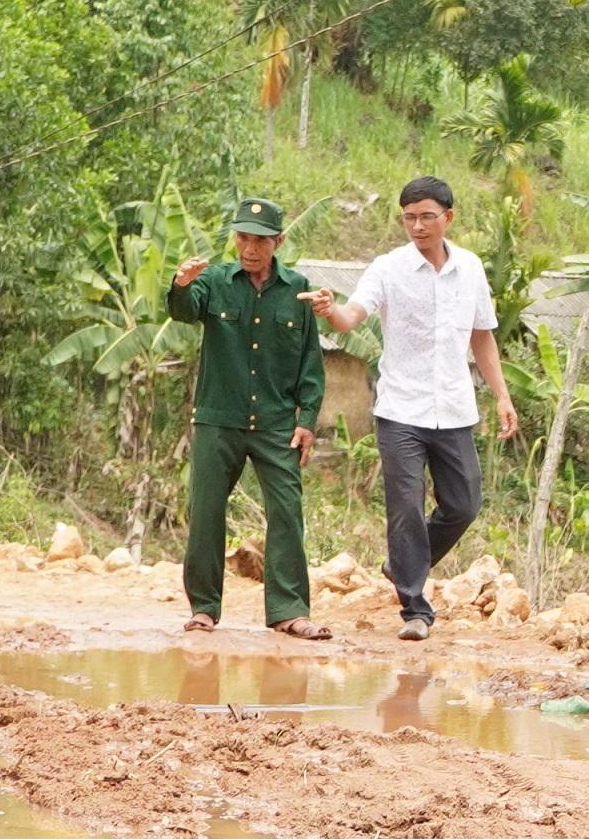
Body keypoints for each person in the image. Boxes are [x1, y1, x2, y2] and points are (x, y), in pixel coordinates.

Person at [166, 197, 351, 638]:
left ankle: (289, 611)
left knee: (287, 510)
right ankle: (204, 609)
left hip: (275, 424)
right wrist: (180, 284)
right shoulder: (213, 281)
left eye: (260, 240)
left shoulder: (298, 290)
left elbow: (310, 361)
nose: (250, 248)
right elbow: (185, 310)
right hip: (218, 418)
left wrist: (307, 419)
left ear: (278, 242)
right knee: (207, 510)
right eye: (243, 238)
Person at [358, 173, 519, 636]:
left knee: (464, 504)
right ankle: (415, 608)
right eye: (409, 217)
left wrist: (502, 396)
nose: (417, 226)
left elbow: (482, 335)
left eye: (427, 217)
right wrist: (333, 313)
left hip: (452, 408)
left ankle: (402, 563)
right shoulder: (387, 268)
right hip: (399, 410)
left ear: (447, 218)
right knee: (405, 506)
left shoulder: (470, 268)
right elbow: (355, 313)